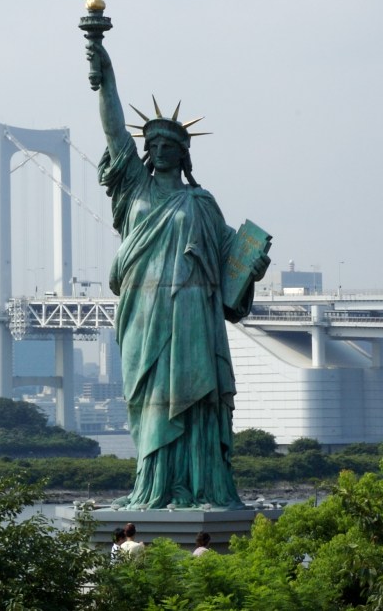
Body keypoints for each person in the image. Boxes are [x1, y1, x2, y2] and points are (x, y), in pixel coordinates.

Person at [85, 37, 269, 510]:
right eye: (154, 143)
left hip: (191, 310)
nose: (161, 150)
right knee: (148, 400)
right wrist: (104, 70)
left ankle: (199, 486)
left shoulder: (200, 203)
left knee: (196, 398)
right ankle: (153, 485)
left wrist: (254, 268)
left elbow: (233, 265)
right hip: (143, 310)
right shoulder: (132, 191)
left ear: (184, 153)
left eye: (170, 144)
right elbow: (112, 132)